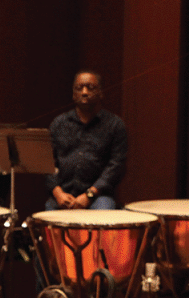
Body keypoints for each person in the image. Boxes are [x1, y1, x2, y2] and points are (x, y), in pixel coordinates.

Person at [45, 70, 127, 210]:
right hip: (63, 194)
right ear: (73, 94)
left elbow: (116, 166)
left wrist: (90, 195)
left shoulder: (115, 125)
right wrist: (58, 193)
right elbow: (47, 163)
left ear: (101, 92)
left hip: (99, 196)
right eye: (79, 88)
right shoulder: (58, 124)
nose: (84, 92)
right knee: (49, 217)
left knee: (104, 212)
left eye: (90, 87)